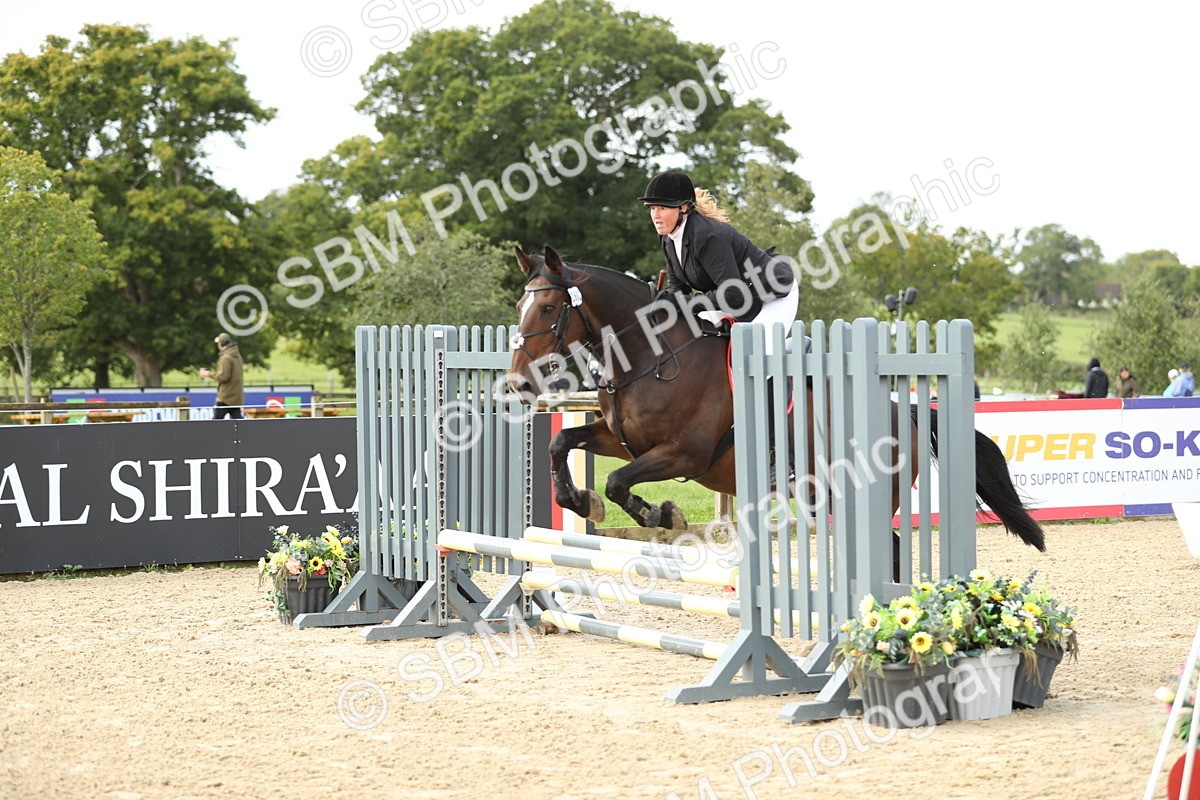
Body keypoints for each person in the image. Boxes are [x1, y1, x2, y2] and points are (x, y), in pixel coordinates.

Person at [639, 170, 797, 354]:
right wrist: (662, 305)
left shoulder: (706, 236)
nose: (655, 216)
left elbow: (732, 294)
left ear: (682, 208)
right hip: (740, 299)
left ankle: (796, 353)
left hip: (774, 294)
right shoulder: (668, 238)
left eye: (662, 209)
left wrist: (682, 302)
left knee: (756, 361)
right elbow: (678, 288)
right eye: (652, 208)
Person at [199, 333, 244, 419]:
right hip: (236, 396)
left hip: (226, 397)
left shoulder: (226, 358)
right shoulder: (237, 356)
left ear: (221, 344)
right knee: (238, 423)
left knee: (216, 423)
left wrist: (208, 373)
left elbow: (223, 377)